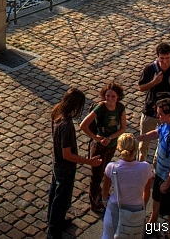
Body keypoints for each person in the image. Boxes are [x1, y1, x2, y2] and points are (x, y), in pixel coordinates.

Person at [47, 88, 103, 239]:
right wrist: (88, 161)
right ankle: (53, 232)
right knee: (60, 199)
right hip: (64, 167)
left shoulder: (57, 111)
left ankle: (55, 222)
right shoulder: (66, 125)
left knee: (54, 193)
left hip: (56, 162)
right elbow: (67, 154)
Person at [136, 98, 170, 239]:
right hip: (160, 171)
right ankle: (152, 222)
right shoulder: (166, 124)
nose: (157, 116)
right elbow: (155, 133)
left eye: (160, 114)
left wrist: (167, 183)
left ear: (169, 115)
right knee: (156, 199)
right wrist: (138, 138)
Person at [80, 82, 127, 214]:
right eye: (108, 96)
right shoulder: (100, 108)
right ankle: (95, 202)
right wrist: (97, 138)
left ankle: (102, 197)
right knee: (96, 176)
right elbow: (83, 125)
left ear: (118, 97)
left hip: (111, 146)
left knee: (106, 172)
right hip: (99, 147)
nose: (110, 99)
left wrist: (110, 138)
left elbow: (123, 127)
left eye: (113, 96)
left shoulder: (120, 108)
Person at [137, 42, 170, 162]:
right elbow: (141, 87)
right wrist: (154, 82)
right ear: (157, 56)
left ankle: (157, 165)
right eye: (162, 58)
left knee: (164, 141)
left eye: (167, 58)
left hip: (168, 113)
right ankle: (140, 165)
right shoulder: (150, 69)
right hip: (150, 110)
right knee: (143, 143)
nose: (165, 61)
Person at [100, 134, 153, 239]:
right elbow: (146, 193)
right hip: (136, 211)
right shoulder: (146, 168)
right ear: (136, 149)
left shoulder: (111, 167)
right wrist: (143, 206)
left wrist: (104, 200)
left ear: (119, 149)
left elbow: (105, 190)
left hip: (115, 209)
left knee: (108, 236)